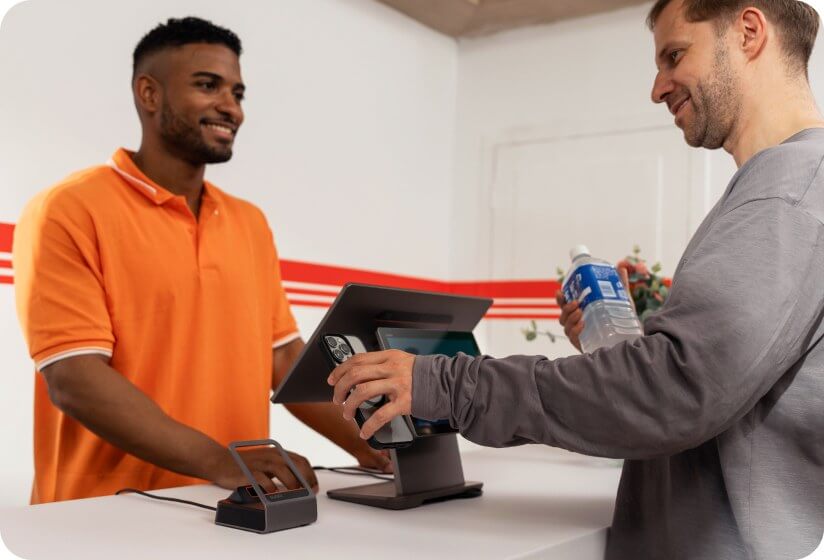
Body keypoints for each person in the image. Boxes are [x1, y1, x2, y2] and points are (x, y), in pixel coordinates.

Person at [328, 1, 824, 557]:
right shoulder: (782, 189)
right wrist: (618, 349)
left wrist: (443, 384)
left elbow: (674, 392)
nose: (658, 87)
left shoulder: (789, 192)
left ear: (749, 32)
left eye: (675, 55)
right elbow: (720, 388)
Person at [13, 17, 389, 505]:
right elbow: (75, 379)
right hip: (102, 516)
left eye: (238, 93)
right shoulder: (68, 209)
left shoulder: (249, 222)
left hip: (232, 509)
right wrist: (220, 460)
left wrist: (375, 446)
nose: (230, 107)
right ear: (149, 94)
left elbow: (283, 359)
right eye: (208, 86)